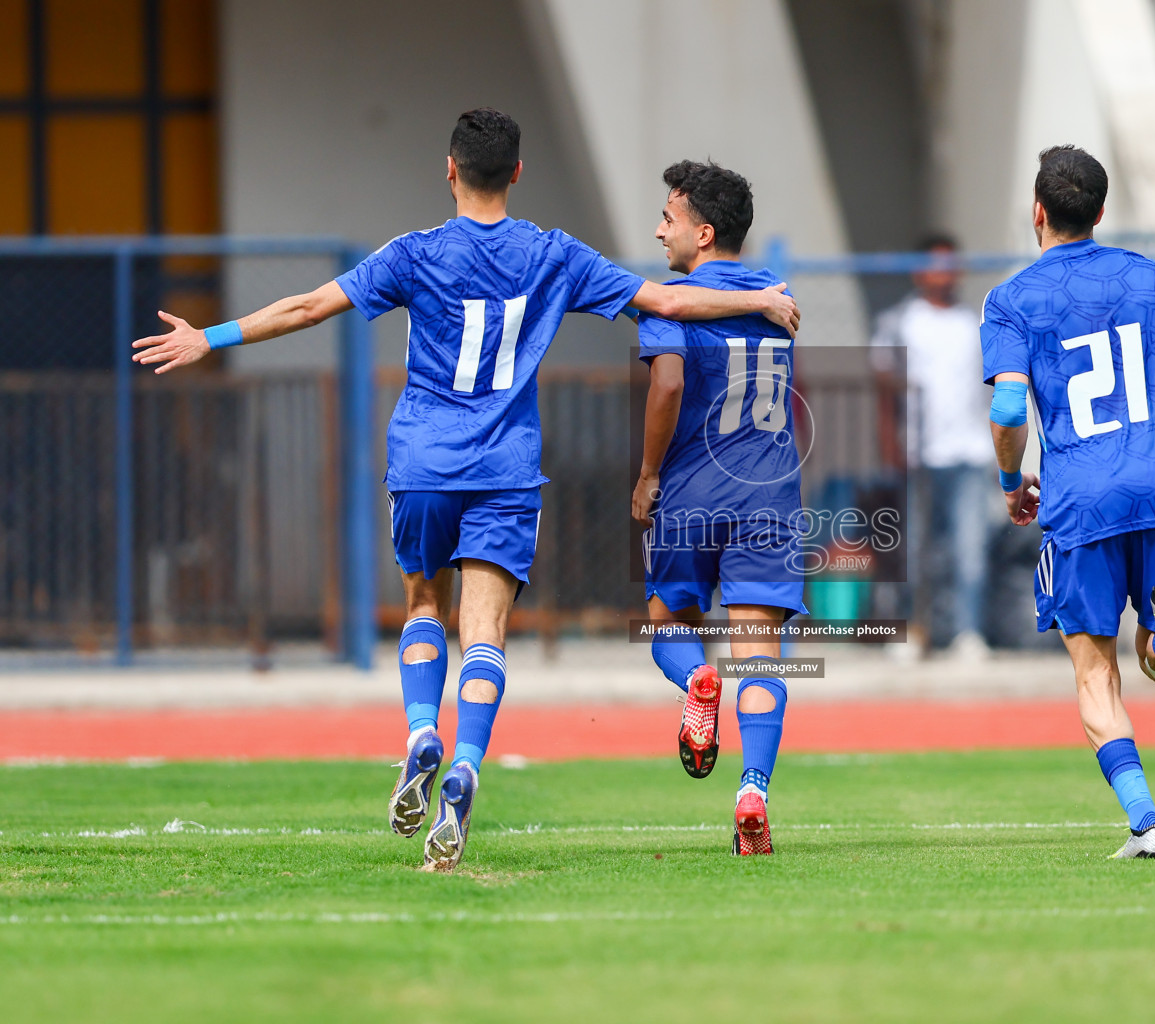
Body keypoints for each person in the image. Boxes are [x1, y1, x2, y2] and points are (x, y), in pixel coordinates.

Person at [132, 108, 800, 872]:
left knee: (424, 603)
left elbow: (308, 307)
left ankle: (423, 731)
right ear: (517, 173)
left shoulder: (414, 254)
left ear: (450, 171)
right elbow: (673, 302)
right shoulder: (555, 255)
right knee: (485, 634)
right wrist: (759, 300)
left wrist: (208, 338)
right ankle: (470, 765)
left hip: (423, 460)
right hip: (507, 469)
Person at [981, 145, 1155, 860]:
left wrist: (1010, 481)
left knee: (1096, 673)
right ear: (1098, 213)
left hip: (1081, 502)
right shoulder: (1150, 276)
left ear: (1038, 212)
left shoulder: (1012, 300)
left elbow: (1006, 405)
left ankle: (1145, 821)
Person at [632, 160, 803, 856]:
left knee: (668, 618)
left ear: (702, 233)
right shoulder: (779, 299)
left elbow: (669, 385)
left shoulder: (670, 299)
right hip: (768, 492)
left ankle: (696, 680)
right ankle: (752, 789)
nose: (658, 229)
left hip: (691, 489)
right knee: (761, 660)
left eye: (668, 217)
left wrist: (647, 473)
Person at [871, 234, 997, 660]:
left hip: (970, 452)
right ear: (918, 269)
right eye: (934, 264)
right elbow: (883, 389)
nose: (943, 273)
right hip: (919, 453)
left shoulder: (974, 323)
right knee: (914, 550)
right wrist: (890, 443)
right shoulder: (900, 321)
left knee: (969, 551)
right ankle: (913, 633)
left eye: (950, 264)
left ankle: (968, 633)